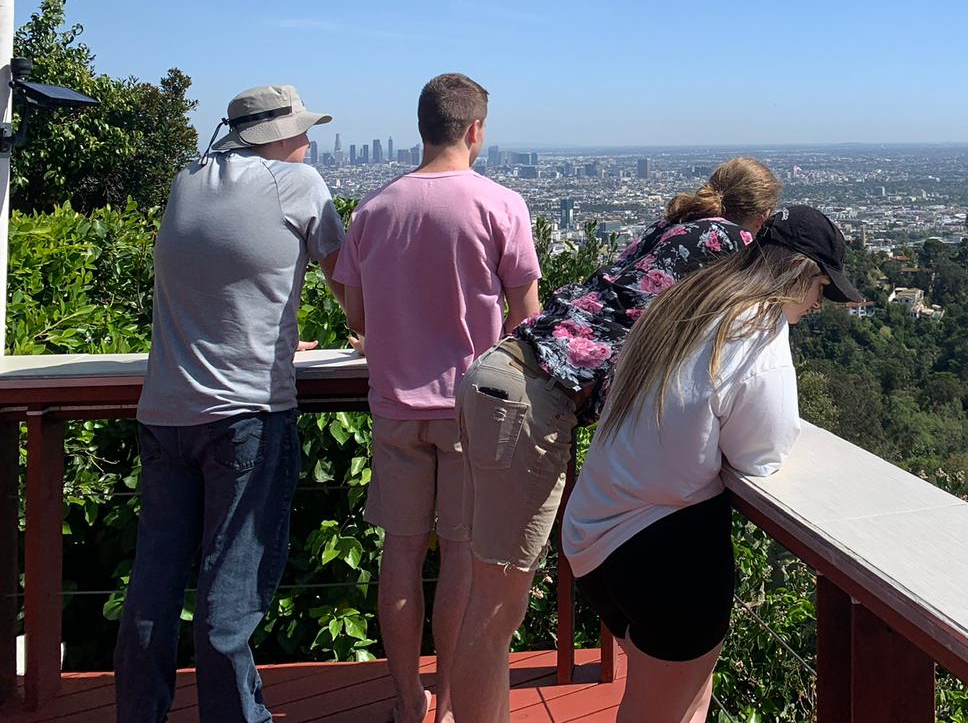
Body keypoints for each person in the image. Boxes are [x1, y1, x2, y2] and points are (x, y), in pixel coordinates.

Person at [450, 156, 781, 723]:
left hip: (506, 374)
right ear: (759, 215)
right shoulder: (731, 245)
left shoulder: (675, 226)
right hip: (533, 392)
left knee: (489, 594)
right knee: (497, 605)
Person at [562, 205, 859, 723]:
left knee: (685, 698)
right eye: (820, 289)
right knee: (658, 713)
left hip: (594, 534)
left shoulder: (691, 299)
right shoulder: (758, 331)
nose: (817, 304)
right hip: (663, 554)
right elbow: (761, 454)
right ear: (801, 274)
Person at [115, 84, 344, 723]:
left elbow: (220, 285)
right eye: (300, 130)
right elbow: (349, 284)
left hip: (164, 412)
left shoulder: (187, 179)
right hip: (245, 414)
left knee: (152, 591)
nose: (308, 140)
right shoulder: (297, 186)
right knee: (229, 598)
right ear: (271, 137)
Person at [334, 73, 540, 723]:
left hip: (395, 407)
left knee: (399, 551)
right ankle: (450, 706)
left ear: (422, 127)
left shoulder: (374, 209)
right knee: (460, 558)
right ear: (475, 129)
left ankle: (405, 702)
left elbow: (356, 314)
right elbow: (526, 320)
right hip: (470, 410)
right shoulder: (500, 206)